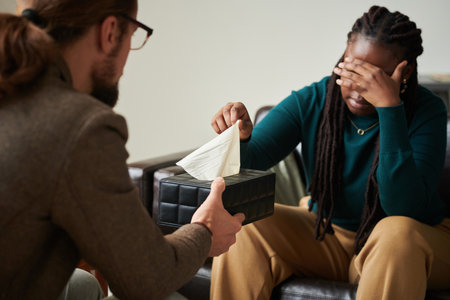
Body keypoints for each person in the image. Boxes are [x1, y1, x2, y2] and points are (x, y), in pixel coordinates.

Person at [0, 0, 245, 299]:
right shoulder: (81, 125)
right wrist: (205, 232)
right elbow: (148, 277)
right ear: (111, 32)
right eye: (134, 34)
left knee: (83, 285)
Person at [210, 5, 450, 300]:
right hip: (329, 236)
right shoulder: (315, 99)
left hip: (411, 242)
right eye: (351, 69)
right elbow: (252, 160)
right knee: (245, 226)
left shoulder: (428, 112)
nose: (358, 88)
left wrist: (390, 109)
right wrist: (241, 138)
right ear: (341, 60)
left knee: (395, 234)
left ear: (405, 72)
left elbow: (403, 207)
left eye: (374, 77)